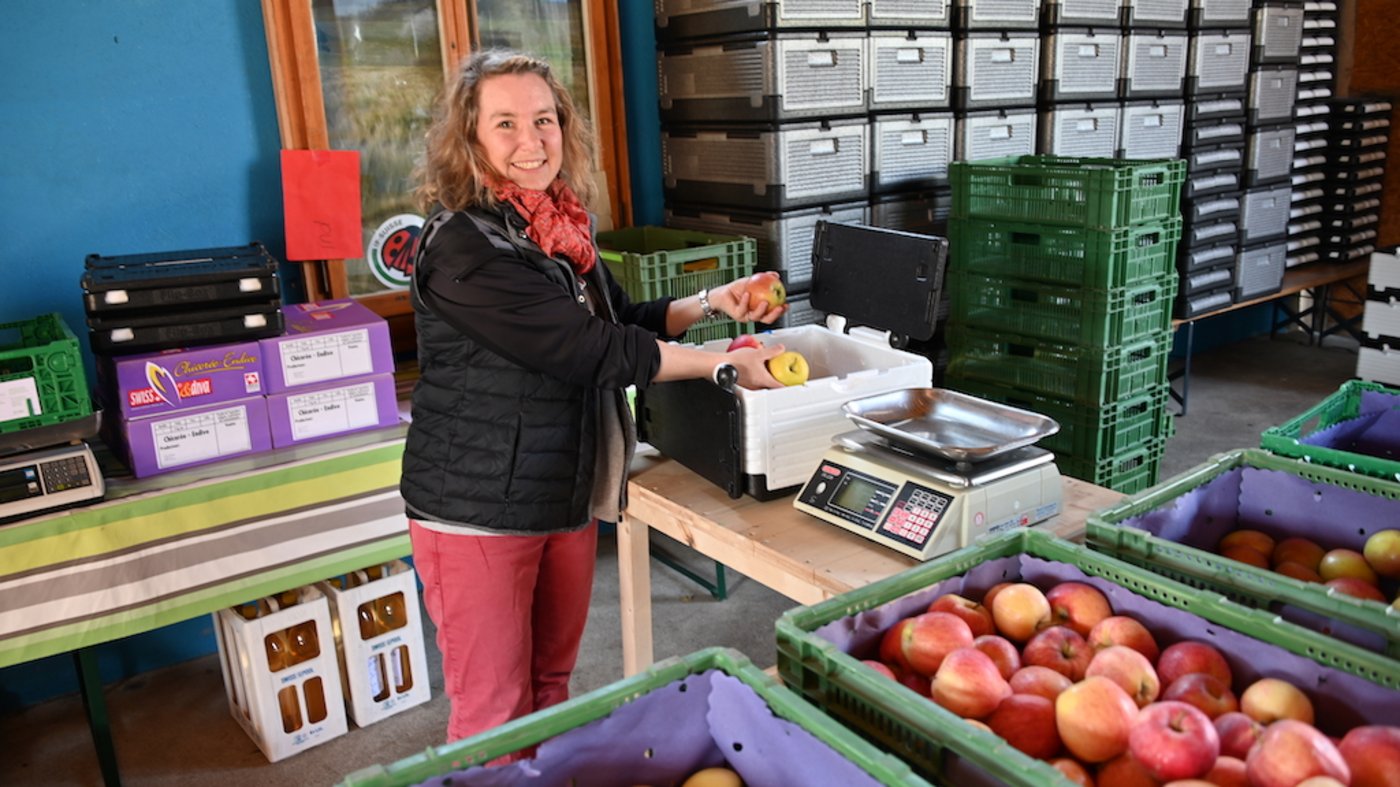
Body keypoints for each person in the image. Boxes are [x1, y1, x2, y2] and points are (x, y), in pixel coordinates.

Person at [400, 48, 788, 745]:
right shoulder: (464, 247)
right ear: (471, 139)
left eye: (544, 120)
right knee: (493, 715)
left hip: (566, 492)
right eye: (507, 124)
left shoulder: (554, 228)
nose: (532, 141)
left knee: (552, 691)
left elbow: (617, 322)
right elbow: (592, 353)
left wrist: (712, 302)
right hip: (480, 510)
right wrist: (722, 369)